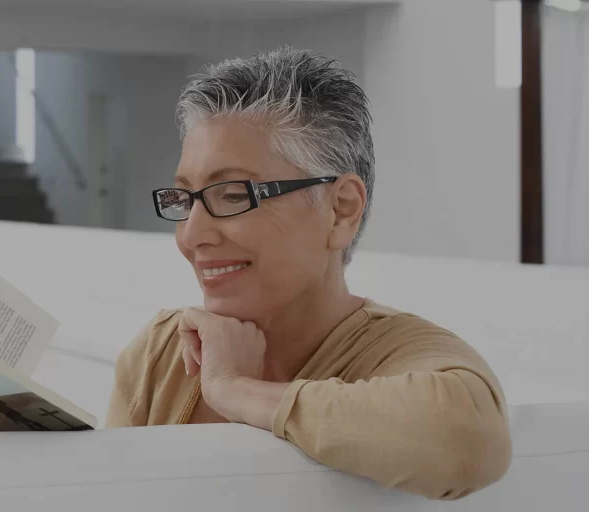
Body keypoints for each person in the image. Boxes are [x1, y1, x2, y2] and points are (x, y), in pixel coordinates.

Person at [105, 47, 511, 500]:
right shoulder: (163, 353)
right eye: (184, 200)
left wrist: (235, 390)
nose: (191, 235)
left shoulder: (395, 355)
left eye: (233, 194)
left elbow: (466, 443)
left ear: (341, 210)